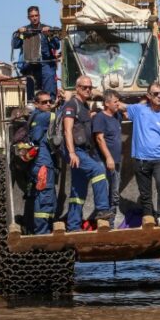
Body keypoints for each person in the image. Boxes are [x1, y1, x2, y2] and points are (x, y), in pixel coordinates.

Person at [121, 82, 160, 227]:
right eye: (156, 94)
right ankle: (148, 217)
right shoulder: (139, 110)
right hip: (141, 159)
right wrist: (101, 96)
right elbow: (118, 105)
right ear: (149, 96)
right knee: (145, 192)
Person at [63, 75, 112, 231]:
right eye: (84, 87)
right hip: (76, 151)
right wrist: (72, 153)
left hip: (83, 151)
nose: (88, 90)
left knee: (78, 190)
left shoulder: (84, 107)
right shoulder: (72, 105)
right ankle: (103, 209)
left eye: (90, 87)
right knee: (98, 170)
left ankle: (73, 226)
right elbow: (67, 130)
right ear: (77, 88)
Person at [11, 5, 60, 102]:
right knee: (31, 87)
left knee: (49, 78)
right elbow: (15, 45)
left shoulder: (47, 29)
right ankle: (31, 105)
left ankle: (50, 103)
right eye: (32, 16)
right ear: (28, 17)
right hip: (30, 64)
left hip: (45, 64)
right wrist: (19, 34)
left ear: (39, 16)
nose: (34, 18)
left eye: (36, 15)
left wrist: (49, 34)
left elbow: (56, 46)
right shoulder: (24, 31)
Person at [28, 90, 57, 234]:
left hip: (40, 163)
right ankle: (42, 233)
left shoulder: (35, 116)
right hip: (43, 165)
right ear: (36, 104)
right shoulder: (44, 117)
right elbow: (60, 117)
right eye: (44, 102)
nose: (48, 104)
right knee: (45, 197)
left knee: (43, 197)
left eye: (49, 102)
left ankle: (43, 230)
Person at [93, 89, 123, 223]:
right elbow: (100, 139)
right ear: (106, 103)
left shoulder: (117, 116)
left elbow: (129, 113)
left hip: (116, 162)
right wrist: (108, 157)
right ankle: (104, 224)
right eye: (115, 102)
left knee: (115, 194)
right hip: (104, 162)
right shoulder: (100, 117)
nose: (118, 104)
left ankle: (111, 224)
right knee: (104, 193)